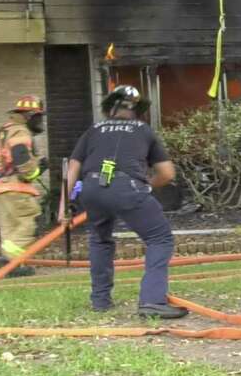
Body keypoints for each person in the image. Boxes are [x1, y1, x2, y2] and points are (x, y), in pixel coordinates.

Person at [62, 85, 187, 319]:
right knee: (159, 238)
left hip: (91, 189)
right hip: (127, 187)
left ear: (109, 108)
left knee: (100, 240)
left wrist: (63, 207)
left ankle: (100, 301)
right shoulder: (143, 130)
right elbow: (168, 173)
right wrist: (148, 185)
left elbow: (73, 167)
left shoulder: (93, 129)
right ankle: (152, 301)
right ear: (138, 110)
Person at [0, 96, 48, 277]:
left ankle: (14, 267)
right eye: (38, 117)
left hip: (1, 187)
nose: (40, 121)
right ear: (29, 116)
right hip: (15, 187)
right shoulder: (20, 131)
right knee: (33, 221)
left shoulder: (5, 130)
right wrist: (34, 170)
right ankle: (8, 260)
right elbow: (20, 155)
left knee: (12, 227)